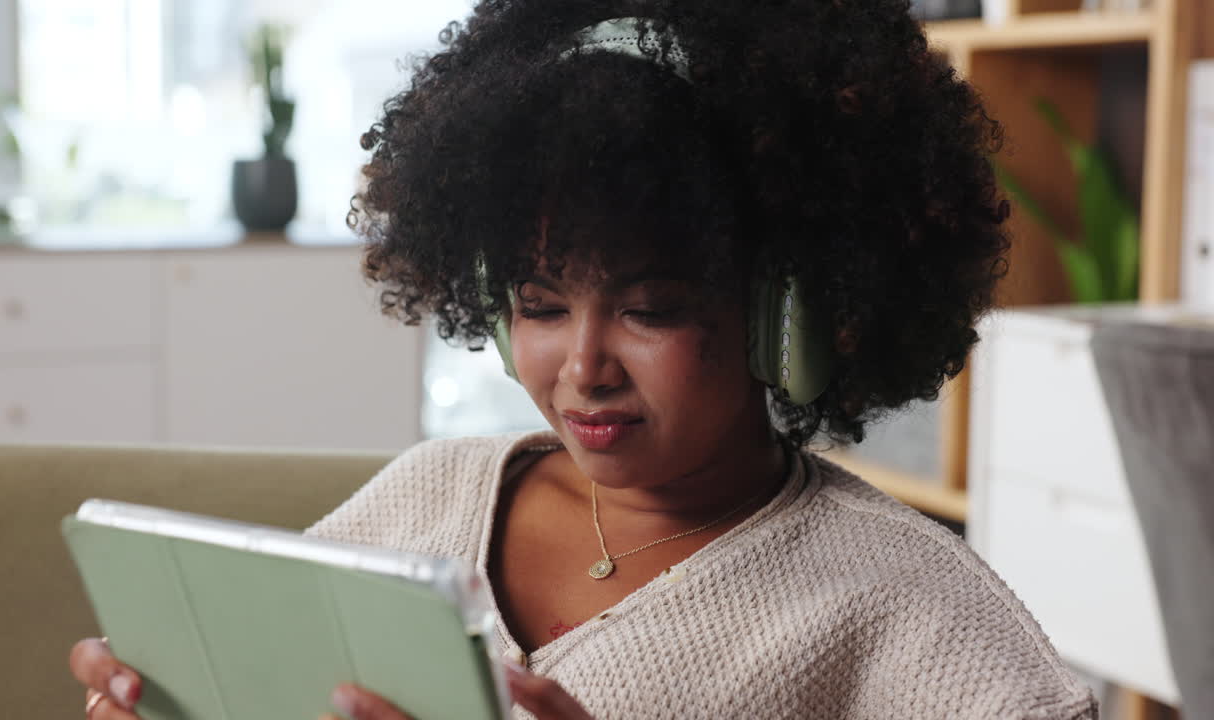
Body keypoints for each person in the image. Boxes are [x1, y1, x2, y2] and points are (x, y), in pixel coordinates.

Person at [71, 1, 1099, 718]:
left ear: (785, 312)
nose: (583, 367)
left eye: (648, 310)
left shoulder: (908, 610)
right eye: (539, 304)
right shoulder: (432, 495)